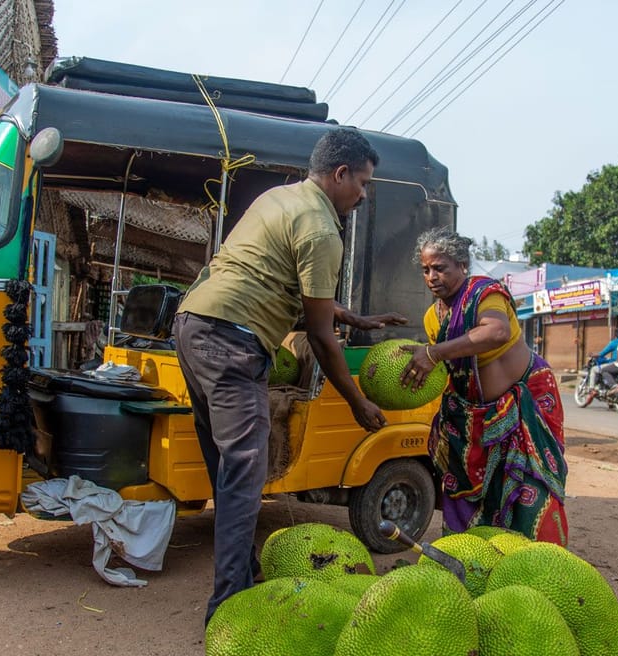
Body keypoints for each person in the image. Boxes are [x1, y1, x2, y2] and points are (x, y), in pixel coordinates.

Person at [173, 128, 406, 624]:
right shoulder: (323, 230)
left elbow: (280, 283)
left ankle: (244, 572)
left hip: (193, 328)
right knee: (245, 471)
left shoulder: (279, 198)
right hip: (232, 342)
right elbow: (320, 339)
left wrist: (354, 318)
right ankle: (229, 607)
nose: (363, 196)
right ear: (340, 174)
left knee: (227, 472)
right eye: (362, 184)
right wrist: (356, 402)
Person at [400, 228, 568, 546]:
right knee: (466, 489)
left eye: (440, 268)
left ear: (462, 265)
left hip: (523, 404)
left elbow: (496, 332)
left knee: (530, 487)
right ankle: (472, 555)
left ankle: (533, 559)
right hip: (472, 416)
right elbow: (451, 366)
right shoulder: (432, 319)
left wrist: (433, 352)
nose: (432, 276)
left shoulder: (485, 293)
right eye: (426, 269)